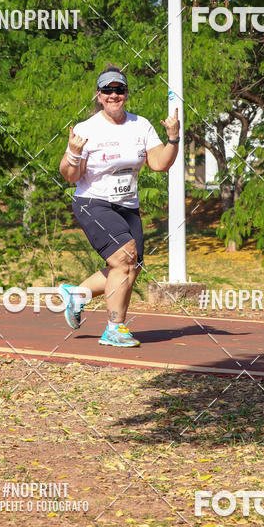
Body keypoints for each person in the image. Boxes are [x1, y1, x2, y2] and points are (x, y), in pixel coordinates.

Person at [58, 66, 180, 347]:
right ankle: (114, 329)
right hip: (93, 202)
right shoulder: (87, 129)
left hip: (127, 205)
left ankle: (78, 295)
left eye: (119, 89)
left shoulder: (141, 125)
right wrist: (74, 154)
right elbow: (70, 176)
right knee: (124, 258)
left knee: (131, 267)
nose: (114, 95)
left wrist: (173, 138)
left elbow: (160, 164)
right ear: (98, 95)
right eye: (107, 90)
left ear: (126, 93)